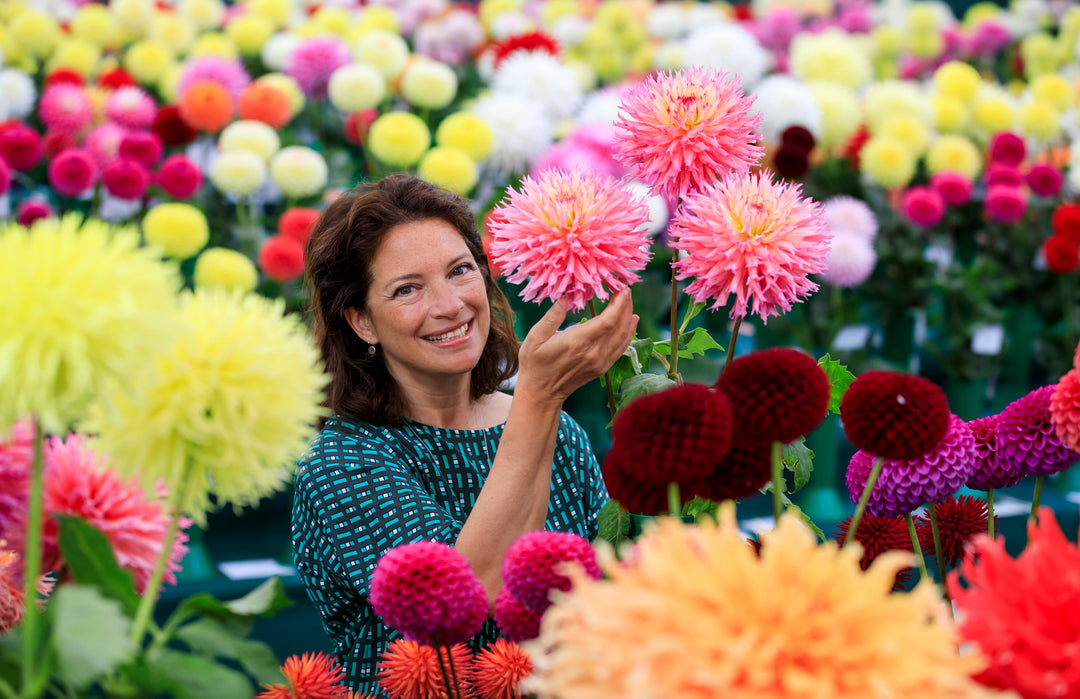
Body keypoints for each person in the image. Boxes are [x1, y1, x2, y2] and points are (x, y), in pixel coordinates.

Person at [291, 173, 636, 694]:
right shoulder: (343, 462)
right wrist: (539, 400)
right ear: (362, 322)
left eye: (460, 271)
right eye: (408, 289)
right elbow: (460, 606)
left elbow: (602, 604)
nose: (450, 305)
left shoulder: (559, 432)